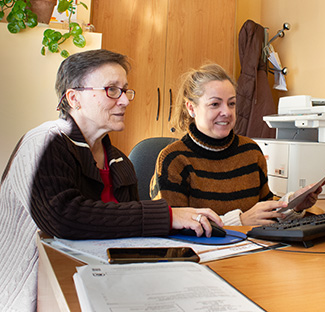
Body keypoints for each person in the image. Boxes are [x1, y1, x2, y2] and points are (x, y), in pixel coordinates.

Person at [0, 49, 222, 311]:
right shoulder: (44, 142)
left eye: (125, 90)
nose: (125, 101)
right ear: (74, 98)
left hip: (101, 283)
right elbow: (63, 217)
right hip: (37, 292)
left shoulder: (119, 162)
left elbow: (126, 231)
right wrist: (169, 216)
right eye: (111, 90)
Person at [150, 63, 325, 226]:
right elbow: (172, 225)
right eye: (215, 104)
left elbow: (265, 211)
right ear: (191, 108)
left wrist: (293, 203)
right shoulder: (173, 160)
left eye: (231, 103)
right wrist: (240, 221)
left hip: (253, 252)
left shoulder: (251, 152)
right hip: (200, 256)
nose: (226, 112)